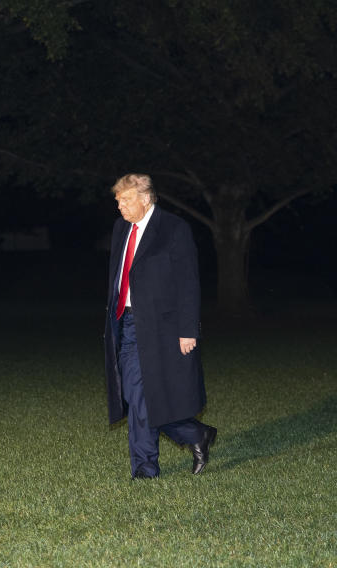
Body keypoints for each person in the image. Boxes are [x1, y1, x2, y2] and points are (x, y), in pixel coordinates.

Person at [103, 173, 217, 479]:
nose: (120, 207)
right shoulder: (120, 229)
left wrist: (188, 329)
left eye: (125, 200)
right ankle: (194, 434)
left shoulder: (173, 229)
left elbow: (188, 282)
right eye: (118, 201)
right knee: (133, 395)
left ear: (146, 198)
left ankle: (145, 469)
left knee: (145, 397)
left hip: (162, 326)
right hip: (127, 323)